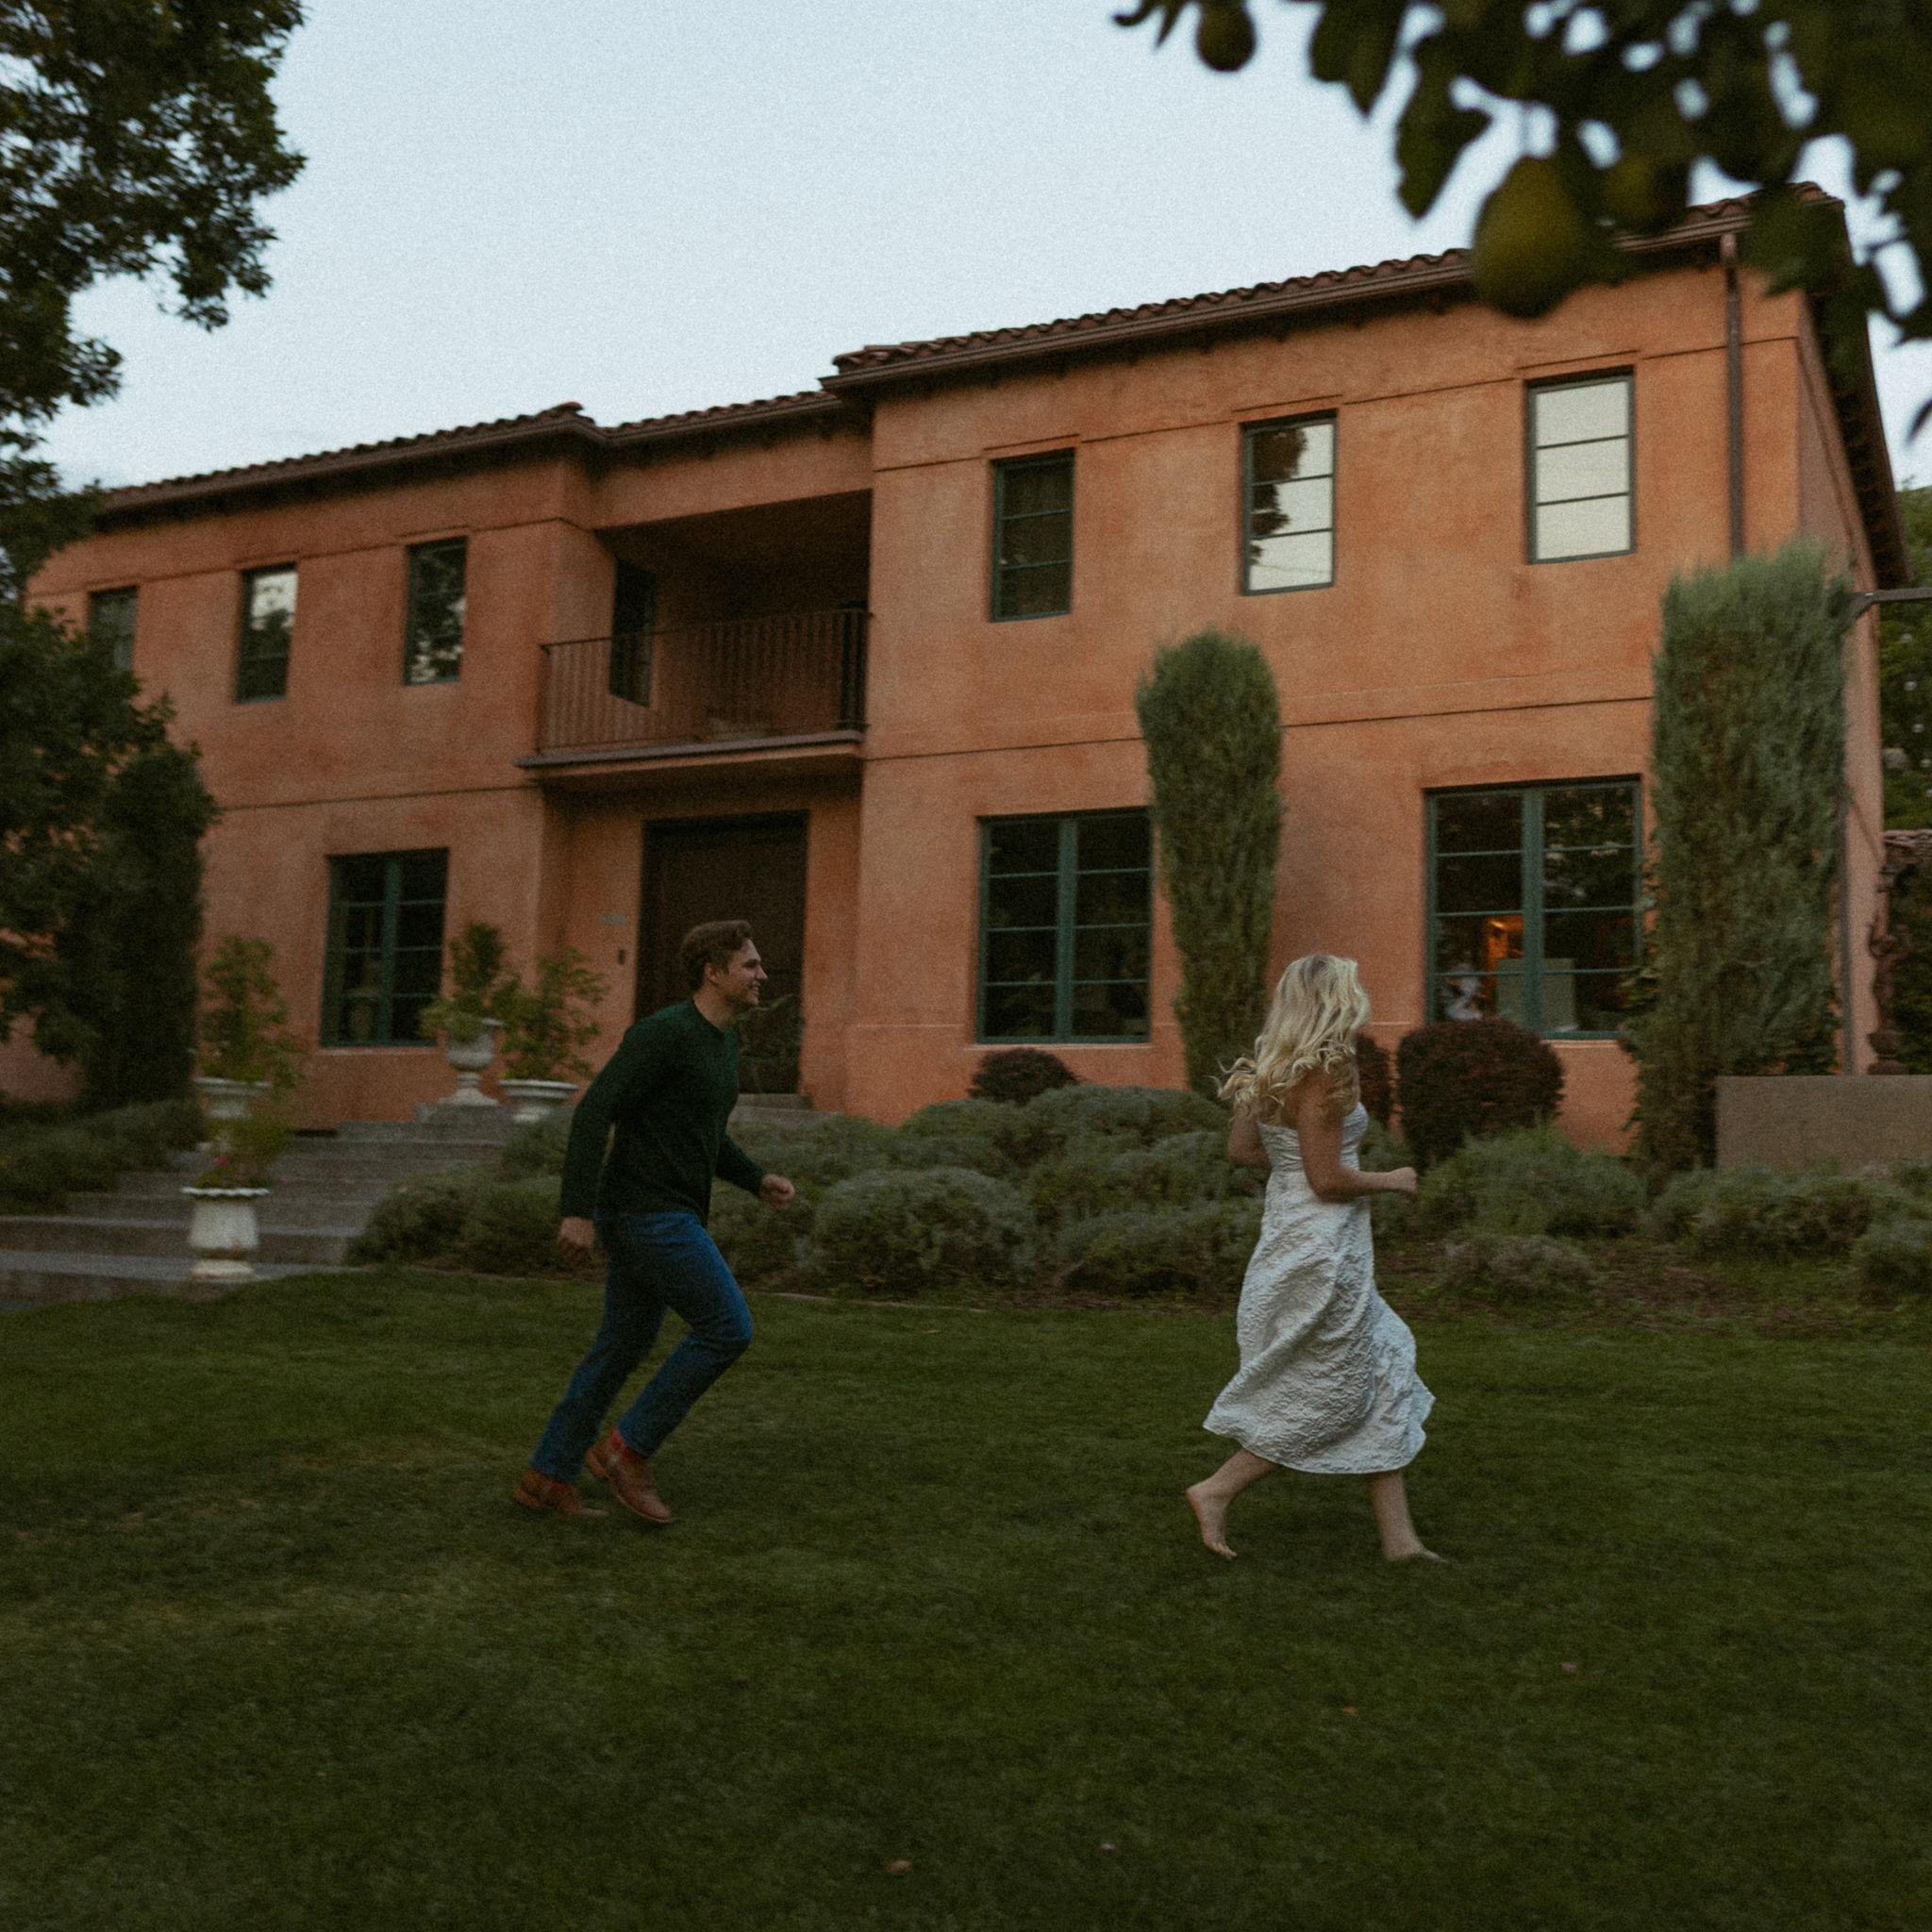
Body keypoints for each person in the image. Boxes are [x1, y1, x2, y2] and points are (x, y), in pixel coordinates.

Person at [513, 919, 796, 1524]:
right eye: (750, 965)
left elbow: (701, 1133)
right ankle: (627, 1451)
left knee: (622, 1346)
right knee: (727, 1327)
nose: (762, 975)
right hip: (646, 1213)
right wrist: (576, 1211)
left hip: (664, 1211)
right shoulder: (663, 1034)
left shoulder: (722, 1044)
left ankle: (547, 1475)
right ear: (713, 973)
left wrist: (754, 1178)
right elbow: (595, 1112)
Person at [1186, 953, 1440, 1562]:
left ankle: (1400, 1540)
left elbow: (1243, 1150)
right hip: (1324, 1246)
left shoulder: (1273, 1065)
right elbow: (1328, 1181)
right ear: (1337, 1001)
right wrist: (1393, 1180)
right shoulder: (1327, 1069)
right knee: (1331, 1388)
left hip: (1289, 1234)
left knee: (1382, 1367)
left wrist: (1296, 1163)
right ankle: (1217, 1489)